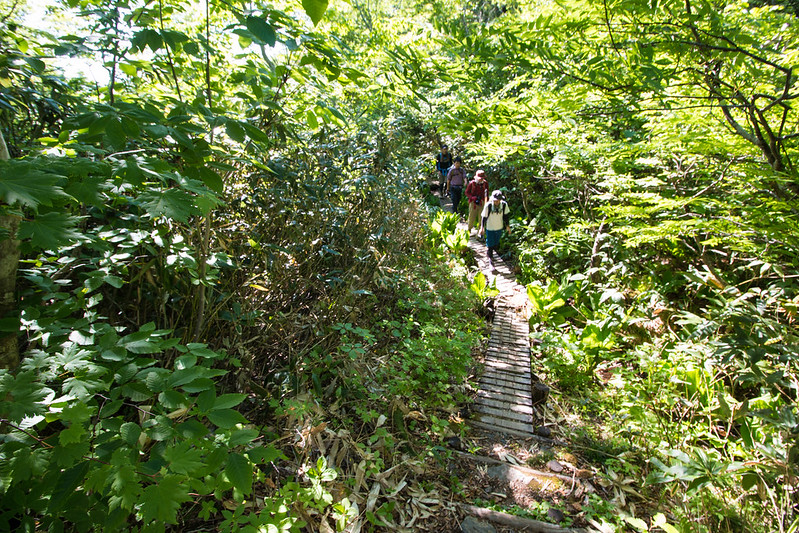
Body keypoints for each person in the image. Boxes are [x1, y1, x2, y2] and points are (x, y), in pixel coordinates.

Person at [478, 190, 510, 270]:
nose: (497, 202)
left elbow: (506, 216)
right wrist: (482, 227)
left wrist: (508, 226)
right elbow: (484, 217)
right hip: (490, 227)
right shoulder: (488, 206)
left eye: (498, 200)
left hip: (499, 227)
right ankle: (491, 262)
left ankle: (490, 255)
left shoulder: (504, 205)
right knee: (490, 245)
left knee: (496, 244)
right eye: (495, 200)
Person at [465, 169, 489, 233]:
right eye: (480, 178)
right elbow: (467, 192)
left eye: (482, 178)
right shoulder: (472, 183)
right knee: (471, 218)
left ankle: (479, 234)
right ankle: (468, 231)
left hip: (482, 202)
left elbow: (487, 194)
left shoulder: (485, 184)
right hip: (473, 203)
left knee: (481, 219)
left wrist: (486, 203)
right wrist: (473, 197)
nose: (481, 179)